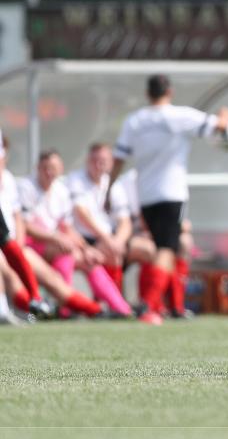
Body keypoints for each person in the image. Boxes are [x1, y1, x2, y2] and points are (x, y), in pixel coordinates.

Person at [108, 74, 228, 324]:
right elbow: (219, 126)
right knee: (167, 250)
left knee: (162, 249)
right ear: (170, 92)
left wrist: (108, 189)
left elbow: (119, 158)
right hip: (171, 193)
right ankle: (148, 307)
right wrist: (226, 114)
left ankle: (159, 306)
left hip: (146, 196)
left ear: (148, 94)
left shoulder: (135, 121)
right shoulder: (179, 115)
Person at [18, 150, 131, 317]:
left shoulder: (61, 190)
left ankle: (119, 308)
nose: (49, 172)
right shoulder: (26, 187)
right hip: (30, 246)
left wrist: (86, 249)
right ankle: (74, 308)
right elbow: (25, 226)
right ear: (38, 168)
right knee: (68, 253)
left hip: (58, 245)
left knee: (89, 259)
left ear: (61, 168)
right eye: (45, 168)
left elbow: (67, 228)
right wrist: (56, 237)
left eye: (53, 168)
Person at [66, 142, 136, 316]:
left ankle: (111, 305)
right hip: (80, 239)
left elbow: (125, 221)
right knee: (106, 253)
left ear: (111, 163)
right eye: (94, 160)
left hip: (106, 239)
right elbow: (82, 213)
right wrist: (108, 240)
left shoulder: (114, 185)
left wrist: (117, 241)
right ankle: (109, 305)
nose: (98, 165)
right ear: (87, 161)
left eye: (103, 161)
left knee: (115, 252)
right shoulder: (76, 179)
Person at [0, 129, 51, 318]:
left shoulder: (9, 181)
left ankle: (34, 301)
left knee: (8, 250)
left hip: (17, 244)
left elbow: (18, 217)